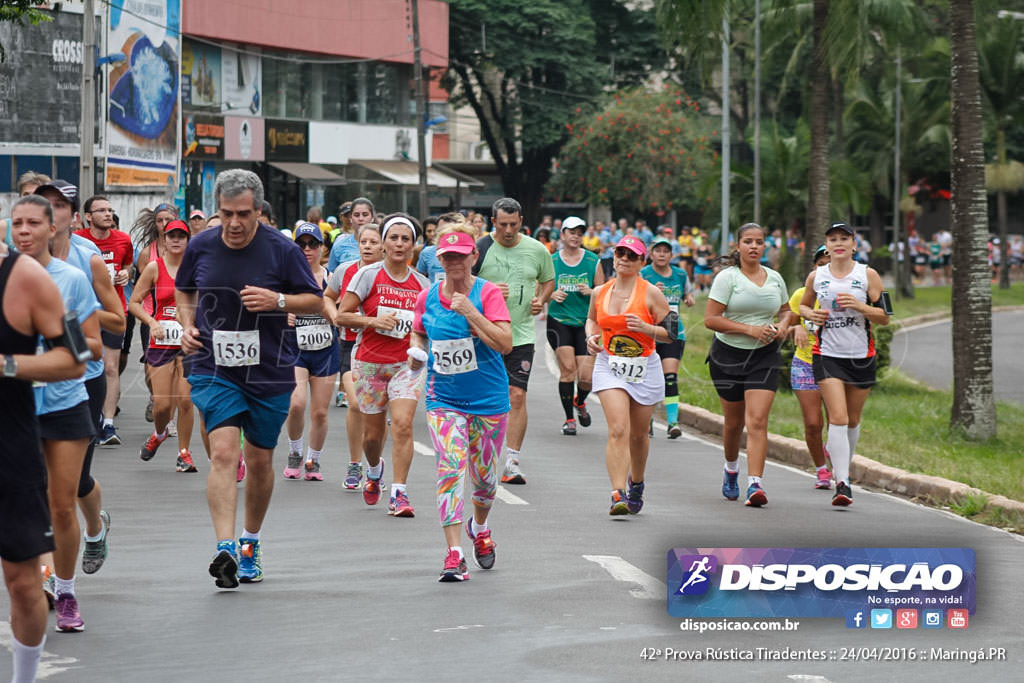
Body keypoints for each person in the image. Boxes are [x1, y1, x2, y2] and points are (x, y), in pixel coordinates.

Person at [175, 169, 323, 589]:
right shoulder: (201, 245)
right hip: (213, 364)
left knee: (259, 460)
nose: (235, 223)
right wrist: (185, 324)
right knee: (224, 451)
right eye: (226, 214)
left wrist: (277, 300)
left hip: (270, 368)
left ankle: (249, 542)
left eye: (243, 214)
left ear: (259, 210)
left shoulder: (282, 250)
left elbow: (315, 300)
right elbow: (183, 290)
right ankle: (224, 546)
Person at [12, 195, 104, 633]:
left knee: (61, 507)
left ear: (54, 229)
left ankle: (65, 591)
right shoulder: (6, 279)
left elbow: (85, 349)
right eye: (17, 224)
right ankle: (33, 582)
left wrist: (46, 346)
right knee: (26, 504)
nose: (24, 231)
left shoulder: (68, 280)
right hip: (16, 408)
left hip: (65, 402)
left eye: (33, 223)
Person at [0, 225, 86, 682]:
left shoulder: (28, 277)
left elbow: (75, 357)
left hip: (10, 444)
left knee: (22, 581)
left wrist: (7, 365)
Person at [409, 225, 513, 581]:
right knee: (450, 470)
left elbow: (505, 344)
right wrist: (417, 352)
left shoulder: (487, 294)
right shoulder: (427, 296)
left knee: (484, 482)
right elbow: (419, 330)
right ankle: (453, 553)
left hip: (488, 400)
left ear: (474, 257)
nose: (454, 262)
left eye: (460, 255)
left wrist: (471, 312)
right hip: (443, 398)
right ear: (439, 259)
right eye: (447, 256)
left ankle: (479, 528)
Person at [37, 182, 123, 591]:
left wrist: (73, 314)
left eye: (59, 206)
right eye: (44, 205)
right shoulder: (18, 261)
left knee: (73, 484)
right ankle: (49, 575)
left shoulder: (89, 261)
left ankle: (94, 528)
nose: (52, 213)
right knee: (41, 486)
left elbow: (118, 321)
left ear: (74, 216)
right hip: (30, 385)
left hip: (81, 384)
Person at [336, 213, 430, 515]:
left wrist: (419, 347)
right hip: (369, 363)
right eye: (394, 238)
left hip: (405, 366)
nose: (400, 244)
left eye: (406, 239)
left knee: (402, 425)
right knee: (373, 436)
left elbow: (424, 328)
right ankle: (374, 470)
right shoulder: (368, 275)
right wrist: (373, 320)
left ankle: (400, 493)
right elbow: (342, 315)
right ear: (385, 243)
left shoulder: (422, 284)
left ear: (414, 245)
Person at [799, 222, 890, 506]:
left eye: (844, 238)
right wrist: (810, 316)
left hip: (861, 356)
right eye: (833, 239)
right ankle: (842, 483)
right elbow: (803, 305)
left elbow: (886, 316)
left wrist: (860, 306)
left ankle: (843, 470)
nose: (838, 243)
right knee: (837, 418)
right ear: (827, 246)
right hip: (827, 355)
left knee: (852, 420)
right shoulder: (817, 275)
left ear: (854, 244)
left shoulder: (868, 274)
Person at [704, 223, 792, 507]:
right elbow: (711, 320)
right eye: (748, 242)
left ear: (765, 246)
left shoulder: (775, 278)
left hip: (764, 357)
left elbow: (787, 311)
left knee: (757, 421)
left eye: (759, 242)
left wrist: (782, 326)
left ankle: (755, 484)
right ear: (738, 246)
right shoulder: (727, 278)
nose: (754, 246)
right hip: (727, 356)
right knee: (733, 423)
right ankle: (731, 470)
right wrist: (749, 330)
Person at [585, 235, 671, 515]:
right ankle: (617, 492)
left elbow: (672, 333)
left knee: (638, 435)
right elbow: (592, 320)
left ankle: (637, 481)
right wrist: (590, 337)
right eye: (620, 253)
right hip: (610, 364)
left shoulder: (651, 294)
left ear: (641, 263)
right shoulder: (601, 292)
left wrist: (646, 329)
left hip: (644, 366)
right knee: (618, 429)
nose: (623, 259)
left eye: (631, 255)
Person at [472, 198, 554, 485]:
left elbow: (548, 280)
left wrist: (540, 301)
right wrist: (488, 292)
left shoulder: (536, 249)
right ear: (493, 221)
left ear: (521, 221)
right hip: (484, 334)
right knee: (484, 396)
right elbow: (462, 287)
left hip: (521, 334)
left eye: (513, 224)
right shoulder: (480, 249)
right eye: (502, 224)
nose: (508, 230)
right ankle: (482, 454)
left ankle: (512, 461)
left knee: (517, 395)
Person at [129, 219, 197, 472]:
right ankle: (158, 434)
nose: (176, 239)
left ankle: (184, 453)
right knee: (163, 406)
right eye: (172, 236)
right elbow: (134, 302)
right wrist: (151, 321)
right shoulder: (154, 268)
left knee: (186, 400)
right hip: (161, 341)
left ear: (188, 240)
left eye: (181, 235)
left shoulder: (196, 270)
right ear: (164, 240)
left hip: (188, 342)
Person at [326, 223, 384, 489]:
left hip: (382, 347)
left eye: (373, 242)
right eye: (364, 242)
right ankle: (354, 463)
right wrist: (335, 316)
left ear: (382, 246)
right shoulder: (344, 270)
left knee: (376, 412)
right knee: (355, 403)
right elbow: (328, 296)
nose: (368, 247)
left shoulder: (389, 274)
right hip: (350, 345)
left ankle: (374, 465)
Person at [283, 223, 340, 482]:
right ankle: (295, 451)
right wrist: (285, 312)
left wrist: (332, 314)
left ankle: (313, 459)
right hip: (296, 347)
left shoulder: (332, 277)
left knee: (319, 411)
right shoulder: (287, 278)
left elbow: (345, 311)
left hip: (326, 349)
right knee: (296, 404)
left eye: (313, 244)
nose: (307, 249)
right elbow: (271, 305)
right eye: (301, 244)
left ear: (322, 248)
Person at [75, 194, 133, 446]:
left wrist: (125, 274)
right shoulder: (79, 242)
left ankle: (107, 424)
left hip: (113, 311)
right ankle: (89, 417)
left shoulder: (123, 239)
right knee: (85, 366)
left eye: (110, 210)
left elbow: (128, 265)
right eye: (101, 211)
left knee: (111, 367)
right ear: (88, 217)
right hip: (85, 313)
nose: (108, 214)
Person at [547, 216, 604, 436]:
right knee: (568, 370)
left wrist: (591, 292)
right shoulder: (552, 261)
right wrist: (551, 293)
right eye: (571, 232)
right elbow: (540, 290)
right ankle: (569, 419)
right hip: (559, 321)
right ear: (563, 234)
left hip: (586, 324)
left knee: (586, 377)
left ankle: (580, 402)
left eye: (580, 233)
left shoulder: (592, 261)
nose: (575, 236)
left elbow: (603, 292)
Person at [640, 235, 695, 439]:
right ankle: (648, 419)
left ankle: (673, 422)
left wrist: (689, 298)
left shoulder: (680, 275)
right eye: (658, 251)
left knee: (670, 377)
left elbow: (687, 295)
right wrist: (652, 294)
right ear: (651, 254)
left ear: (671, 255)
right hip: (649, 333)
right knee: (648, 378)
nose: (662, 255)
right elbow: (635, 301)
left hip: (673, 332)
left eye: (666, 251)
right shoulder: (644, 274)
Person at [789, 244, 833, 490]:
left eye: (830, 264)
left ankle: (833, 450)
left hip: (837, 363)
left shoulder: (847, 294)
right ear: (813, 269)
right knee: (814, 423)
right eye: (820, 264)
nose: (825, 269)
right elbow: (786, 322)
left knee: (838, 422)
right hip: (805, 362)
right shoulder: (800, 295)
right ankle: (821, 470)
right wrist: (796, 328)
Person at [2, 171, 51, 250]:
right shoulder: (4, 227)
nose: (30, 199)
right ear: (19, 197)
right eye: (26, 195)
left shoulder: (51, 227)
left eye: (36, 195)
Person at [327, 197, 374, 272]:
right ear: (351, 218)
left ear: (372, 218)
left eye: (365, 215)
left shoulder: (384, 244)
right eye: (356, 215)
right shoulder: (339, 245)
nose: (361, 218)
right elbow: (331, 276)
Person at [416, 215, 447, 283]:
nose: (432, 234)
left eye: (435, 230)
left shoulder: (462, 251)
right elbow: (419, 275)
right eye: (429, 231)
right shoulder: (423, 251)